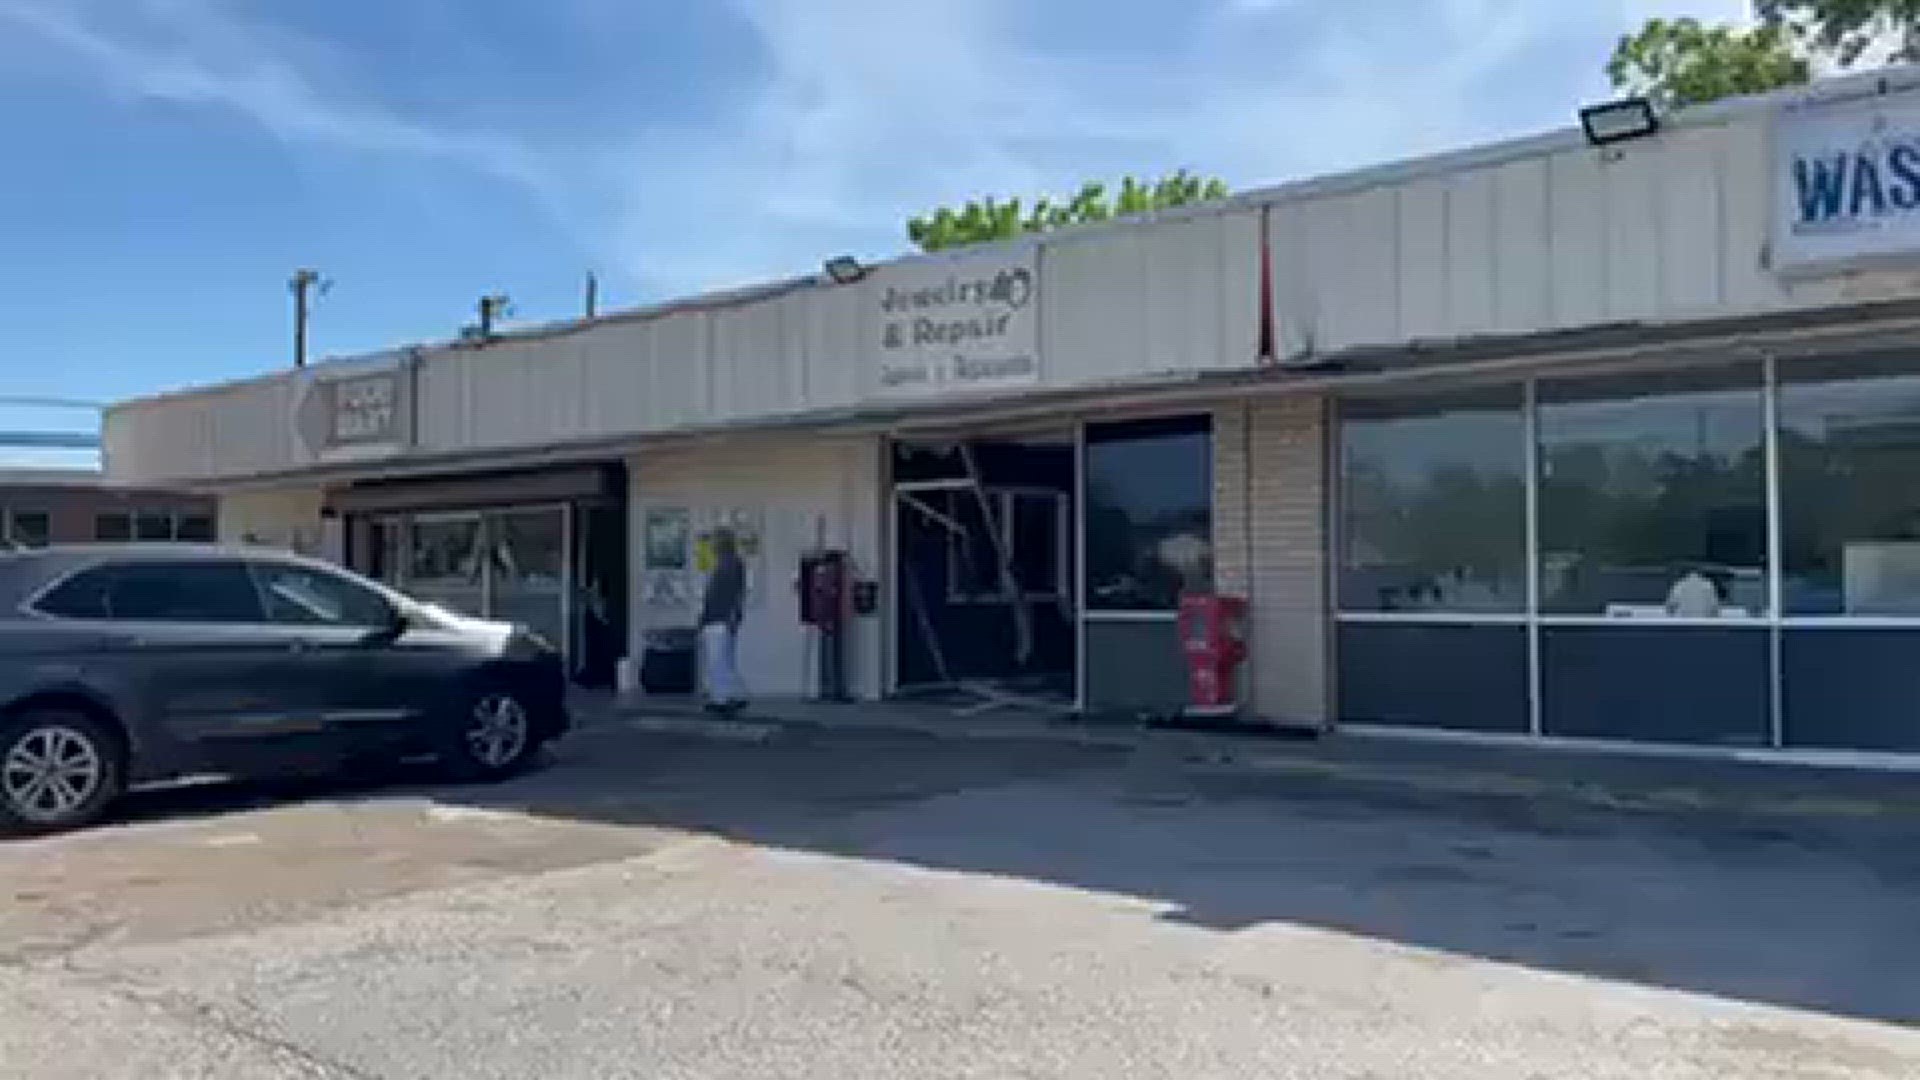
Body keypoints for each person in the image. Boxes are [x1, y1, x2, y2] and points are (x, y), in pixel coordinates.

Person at [698, 527, 748, 713]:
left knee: (717, 660)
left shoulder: (724, 565)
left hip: (717, 617)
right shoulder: (735, 563)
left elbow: (716, 595)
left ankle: (722, 699)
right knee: (725, 660)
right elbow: (738, 594)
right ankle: (733, 695)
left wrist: (703, 618)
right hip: (725, 618)